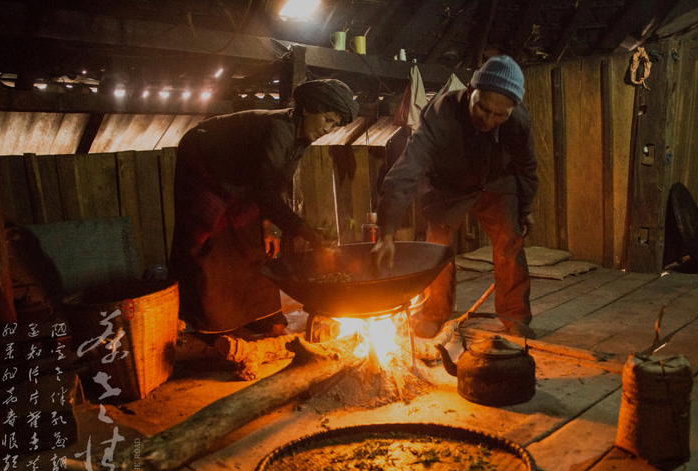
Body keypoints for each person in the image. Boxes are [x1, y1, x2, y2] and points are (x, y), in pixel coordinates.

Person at [168, 78, 359, 336]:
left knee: (255, 241)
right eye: (327, 119)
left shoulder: (302, 138)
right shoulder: (278, 130)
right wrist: (304, 231)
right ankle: (210, 323)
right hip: (203, 162)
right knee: (206, 240)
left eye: (335, 125)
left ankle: (260, 316)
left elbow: (275, 181)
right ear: (308, 109)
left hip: (241, 176)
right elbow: (265, 192)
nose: (329, 129)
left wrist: (270, 226)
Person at [371, 55, 538, 339]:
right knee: (437, 245)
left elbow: (526, 166)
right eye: (483, 109)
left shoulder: (518, 121)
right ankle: (434, 313)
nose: (489, 120)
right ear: (471, 92)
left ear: (513, 108)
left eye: (500, 115)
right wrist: (386, 232)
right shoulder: (440, 114)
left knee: (509, 241)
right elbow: (407, 169)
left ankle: (514, 315)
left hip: (496, 180)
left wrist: (526, 206)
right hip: (448, 183)